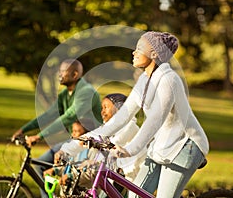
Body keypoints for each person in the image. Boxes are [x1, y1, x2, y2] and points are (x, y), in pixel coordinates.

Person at [60, 31, 209, 198]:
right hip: (161, 146)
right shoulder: (145, 80)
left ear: (154, 53)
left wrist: (130, 149)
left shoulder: (169, 80)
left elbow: (155, 120)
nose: (133, 52)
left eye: (139, 48)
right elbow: (121, 118)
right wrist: (70, 148)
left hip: (185, 146)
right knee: (134, 195)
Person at [11, 59, 102, 198]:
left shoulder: (86, 91)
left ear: (75, 74)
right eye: (59, 71)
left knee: (63, 172)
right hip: (74, 140)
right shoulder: (65, 94)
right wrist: (24, 130)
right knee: (40, 165)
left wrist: (39, 136)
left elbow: (68, 117)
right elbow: (48, 115)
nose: (59, 75)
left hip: (90, 144)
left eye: (63, 71)